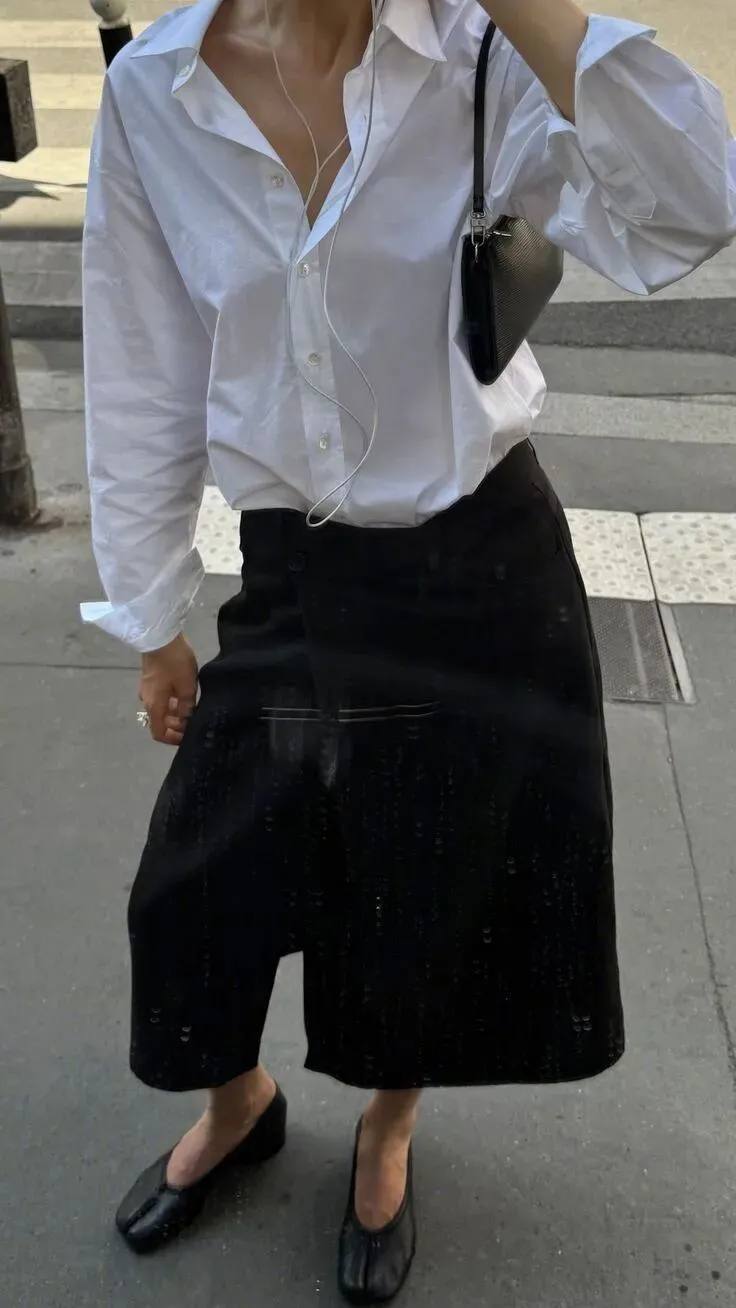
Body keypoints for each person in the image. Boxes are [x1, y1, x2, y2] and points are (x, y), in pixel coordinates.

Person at [82, 0, 736, 1300]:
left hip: (479, 567)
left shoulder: (484, 56)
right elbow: (142, 368)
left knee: (423, 888)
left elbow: (693, 204)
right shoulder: (158, 90)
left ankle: (387, 1129)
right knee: (194, 886)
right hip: (291, 571)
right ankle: (241, 1102)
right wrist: (151, 615)